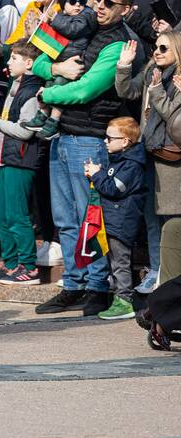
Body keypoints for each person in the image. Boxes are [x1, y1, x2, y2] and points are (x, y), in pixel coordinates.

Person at [32, 0, 138, 317]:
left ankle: (96, 286)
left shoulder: (120, 43)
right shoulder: (84, 24)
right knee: (64, 218)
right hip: (62, 133)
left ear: (127, 9)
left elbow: (86, 90)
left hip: (91, 137)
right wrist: (56, 67)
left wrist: (47, 94)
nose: (100, 6)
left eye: (109, 3)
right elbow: (36, 58)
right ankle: (72, 285)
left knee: (89, 217)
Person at [115, 32, 181, 298]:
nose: (157, 51)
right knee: (152, 218)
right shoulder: (153, 70)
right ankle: (157, 271)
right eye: (155, 46)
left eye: (164, 47)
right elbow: (126, 91)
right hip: (149, 154)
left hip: (171, 160)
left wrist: (157, 93)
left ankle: (171, 277)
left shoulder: (177, 78)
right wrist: (123, 65)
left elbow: (175, 120)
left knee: (172, 220)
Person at [0, 41, 45, 285]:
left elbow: (26, 131)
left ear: (29, 63)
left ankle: (29, 266)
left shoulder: (31, 91)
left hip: (21, 160)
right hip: (7, 158)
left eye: (14, 58)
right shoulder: (17, 86)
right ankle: (11, 264)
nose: (9, 63)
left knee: (16, 214)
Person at [22, 0, 98, 140]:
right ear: (64, 3)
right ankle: (42, 115)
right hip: (59, 58)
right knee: (49, 84)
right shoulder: (63, 16)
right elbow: (38, 64)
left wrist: (53, 20)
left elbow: (72, 30)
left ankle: (53, 121)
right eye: (72, 1)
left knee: (60, 87)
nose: (78, 5)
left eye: (82, 1)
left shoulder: (85, 15)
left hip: (74, 61)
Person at [84, 116, 146, 320]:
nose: (105, 141)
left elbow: (113, 188)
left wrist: (97, 175)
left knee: (120, 263)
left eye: (110, 138)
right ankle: (120, 297)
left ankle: (125, 301)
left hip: (121, 222)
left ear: (125, 141)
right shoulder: (120, 159)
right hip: (112, 220)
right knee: (114, 262)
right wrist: (98, 173)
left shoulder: (132, 164)